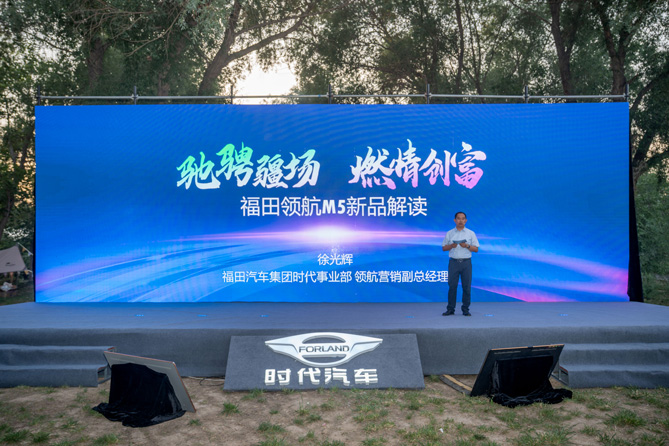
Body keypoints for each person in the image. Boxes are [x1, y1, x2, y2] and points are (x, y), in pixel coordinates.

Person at [442, 211, 479, 316]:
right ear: (455, 220)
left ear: (466, 220)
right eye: (458, 218)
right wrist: (451, 246)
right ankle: (450, 309)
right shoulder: (449, 233)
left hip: (466, 263)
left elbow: (476, 249)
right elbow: (444, 248)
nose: (461, 221)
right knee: (452, 286)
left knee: (466, 287)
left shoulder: (471, 233)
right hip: (453, 262)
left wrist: (466, 246)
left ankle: (465, 309)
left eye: (463, 218)